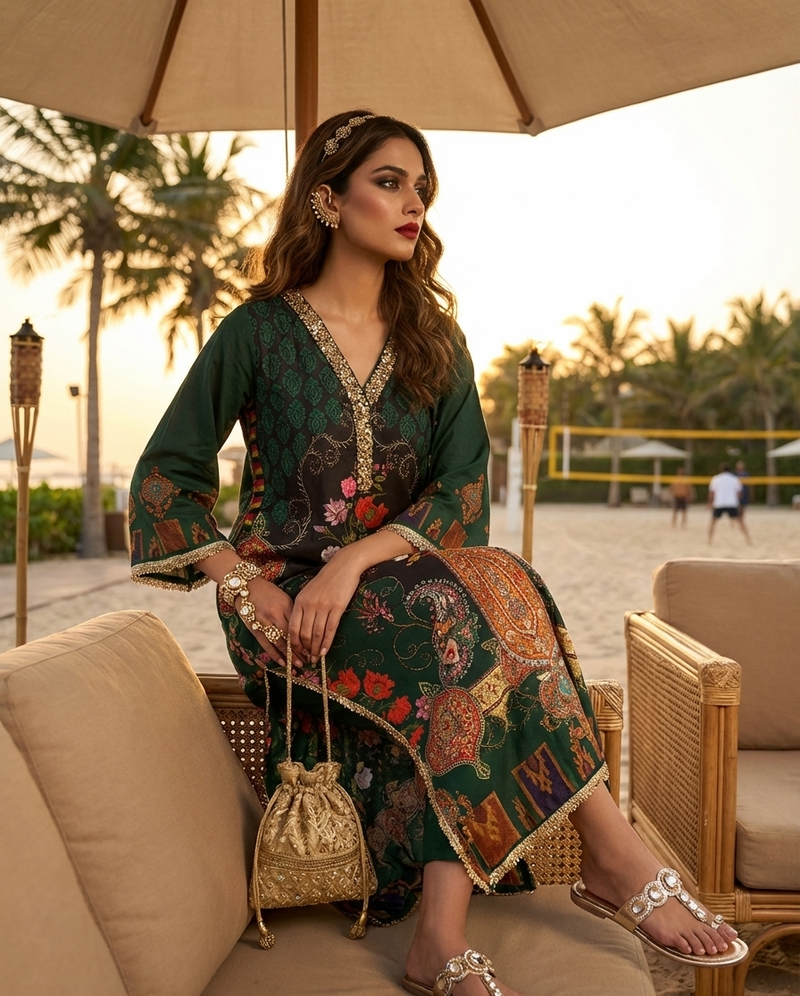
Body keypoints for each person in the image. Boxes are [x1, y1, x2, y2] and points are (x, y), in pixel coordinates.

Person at [130, 111, 743, 995]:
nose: (413, 202)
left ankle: (443, 938)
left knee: (494, 585)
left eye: (422, 187)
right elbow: (164, 477)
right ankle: (608, 863)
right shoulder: (257, 334)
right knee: (462, 610)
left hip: (401, 585)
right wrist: (242, 586)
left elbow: (463, 491)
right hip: (290, 610)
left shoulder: (434, 339)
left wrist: (355, 559)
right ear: (328, 199)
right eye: (389, 181)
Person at [708, 463, 751, 545]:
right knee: (740, 522)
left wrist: (710, 503)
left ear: (720, 470)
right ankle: (748, 540)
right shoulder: (734, 479)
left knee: (713, 522)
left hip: (719, 503)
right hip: (732, 503)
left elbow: (711, 493)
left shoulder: (716, 479)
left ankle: (709, 541)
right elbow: (739, 493)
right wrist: (737, 501)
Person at [735, 460, 751, 525]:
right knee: (737, 506)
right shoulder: (735, 474)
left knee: (743, 507)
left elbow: (749, 484)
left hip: (744, 492)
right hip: (737, 492)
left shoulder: (746, 474)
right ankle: (737, 519)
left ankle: (741, 519)